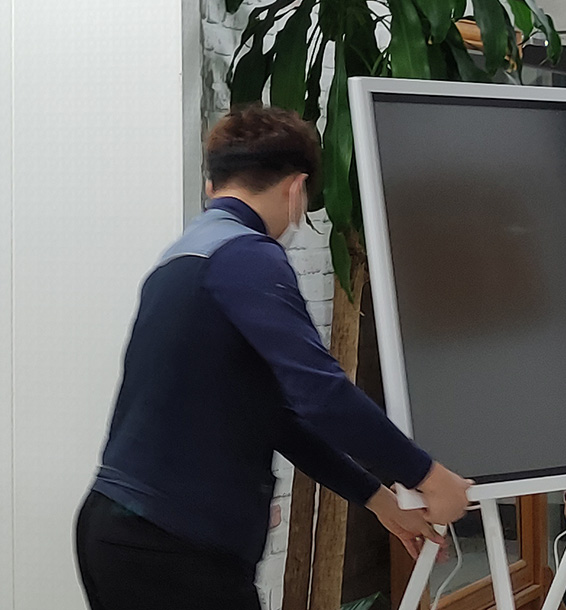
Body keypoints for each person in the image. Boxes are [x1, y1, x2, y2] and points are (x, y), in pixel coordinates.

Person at [75, 105, 471, 610]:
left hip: (127, 532)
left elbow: (278, 416)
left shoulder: (189, 254)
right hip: (173, 547)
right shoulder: (246, 256)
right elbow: (321, 393)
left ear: (212, 185)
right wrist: (428, 476)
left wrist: (378, 499)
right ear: (296, 189)